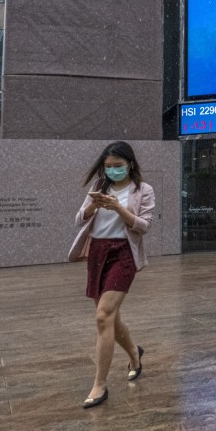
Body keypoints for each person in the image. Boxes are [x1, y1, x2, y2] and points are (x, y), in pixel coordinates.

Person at [68, 141, 156, 409]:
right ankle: (134, 352)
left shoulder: (143, 190)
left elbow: (144, 226)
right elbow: (79, 219)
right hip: (98, 252)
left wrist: (118, 207)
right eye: (108, 167)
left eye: (117, 166)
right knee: (109, 317)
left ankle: (100, 385)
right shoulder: (99, 186)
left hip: (123, 254)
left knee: (103, 315)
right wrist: (95, 206)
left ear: (130, 164)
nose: (112, 171)